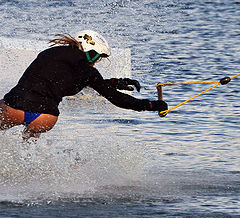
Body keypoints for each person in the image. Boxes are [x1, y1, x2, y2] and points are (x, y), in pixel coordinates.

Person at [0, 30, 168, 141]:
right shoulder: (87, 72)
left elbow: (58, 79)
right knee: (28, 144)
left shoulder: (50, 53)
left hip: (14, 107)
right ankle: (26, 171)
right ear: (92, 52)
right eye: (98, 57)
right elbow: (117, 100)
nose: (97, 62)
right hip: (45, 118)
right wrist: (151, 105)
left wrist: (114, 82)